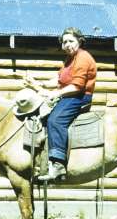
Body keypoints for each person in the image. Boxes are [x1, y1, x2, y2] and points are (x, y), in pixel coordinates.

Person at [25, 27, 97, 182]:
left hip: (79, 97)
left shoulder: (83, 58)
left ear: (79, 41)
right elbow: (59, 80)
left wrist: (54, 93)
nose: (67, 44)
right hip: (69, 95)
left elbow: (77, 86)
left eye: (71, 41)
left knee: (55, 120)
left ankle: (58, 164)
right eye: (65, 42)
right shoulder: (69, 60)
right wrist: (40, 83)